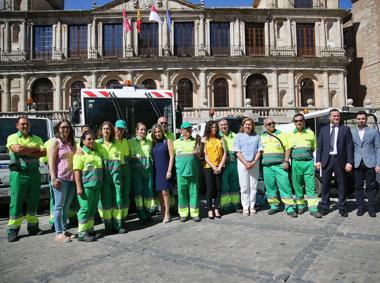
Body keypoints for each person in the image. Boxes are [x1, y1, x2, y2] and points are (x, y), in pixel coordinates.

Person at [6, 116, 47, 242]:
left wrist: (25, 150)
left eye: (27, 124)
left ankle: (33, 227)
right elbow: (17, 149)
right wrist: (34, 149)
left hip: (34, 173)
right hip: (19, 173)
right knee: (16, 201)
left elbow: (43, 152)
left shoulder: (37, 138)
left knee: (34, 200)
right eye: (22, 124)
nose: (25, 126)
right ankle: (13, 230)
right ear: (17, 125)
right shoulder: (13, 137)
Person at [315, 109, 354, 217]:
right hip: (327, 161)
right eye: (334, 116)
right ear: (329, 117)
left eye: (338, 116)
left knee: (342, 185)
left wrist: (349, 162)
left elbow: (349, 147)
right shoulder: (323, 130)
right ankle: (324, 206)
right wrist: (318, 160)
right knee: (325, 185)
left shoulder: (345, 129)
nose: (336, 118)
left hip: (340, 161)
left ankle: (342, 207)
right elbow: (320, 147)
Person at [288, 113, 322, 218]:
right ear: (294, 123)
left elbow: (314, 148)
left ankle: (313, 209)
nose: (299, 122)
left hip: (308, 163)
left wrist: (317, 162)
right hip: (295, 164)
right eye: (296, 121)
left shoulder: (310, 133)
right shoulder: (290, 135)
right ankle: (301, 206)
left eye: (301, 120)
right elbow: (288, 150)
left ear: (304, 121)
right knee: (297, 187)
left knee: (311, 187)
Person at [261, 118, 297, 217]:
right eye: (269, 124)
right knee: (270, 187)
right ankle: (274, 206)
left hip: (280, 165)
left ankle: (290, 207)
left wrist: (286, 161)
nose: (272, 124)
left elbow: (288, 148)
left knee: (285, 186)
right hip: (267, 167)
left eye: (273, 123)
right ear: (265, 126)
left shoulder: (282, 134)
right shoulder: (262, 136)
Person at [48, 120, 77, 242]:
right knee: (59, 206)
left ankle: (64, 230)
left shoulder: (71, 143)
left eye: (67, 127)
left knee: (66, 207)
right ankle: (58, 233)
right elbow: (51, 160)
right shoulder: (56, 142)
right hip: (60, 178)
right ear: (58, 129)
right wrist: (53, 177)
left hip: (71, 179)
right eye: (62, 127)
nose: (65, 129)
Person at [96, 121, 126, 234]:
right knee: (106, 202)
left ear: (111, 131)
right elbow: (85, 148)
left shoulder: (117, 143)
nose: (106, 131)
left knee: (118, 200)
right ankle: (108, 226)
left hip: (116, 179)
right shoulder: (97, 144)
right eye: (104, 129)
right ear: (101, 131)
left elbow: (121, 163)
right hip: (104, 179)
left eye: (108, 129)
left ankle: (118, 225)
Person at [73, 131, 103, 242]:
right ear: (83, 141)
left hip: (96, 186)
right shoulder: (80, 154)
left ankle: (89, 229)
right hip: (86, 186)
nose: (91, 141)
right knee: (85, 209)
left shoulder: (95, 152)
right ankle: (81, 233)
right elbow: (76, 172)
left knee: (92, 209)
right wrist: (79, 187)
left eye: (93, 139)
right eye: (89, 139)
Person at [351, 111, 380, 217]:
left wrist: (378, 164)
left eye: (363, 118)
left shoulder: (373, 131)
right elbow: (350, 148)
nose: (361, 120)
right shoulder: (352, 132)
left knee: (371, 186)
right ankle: (360, 207)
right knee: (358, 187)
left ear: (366, 119)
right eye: (359, 119)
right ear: (356, 120)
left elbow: (378, 148)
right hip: (357, 163)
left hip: (370, 163)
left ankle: (371, 208)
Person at [233, 117, 262, 216]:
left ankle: (252, 206)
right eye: (246, 124)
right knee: (244, 186)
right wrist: (245, 163)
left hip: (254, 163)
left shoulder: (257, 136)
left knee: (253, 186)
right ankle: (245, 207)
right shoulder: (238, 136)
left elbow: (259, 151)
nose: (247, 126)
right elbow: (237, 151)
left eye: (249, 124)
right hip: (242, 163)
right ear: (243, 125)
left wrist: (253, 162)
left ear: (252, 126)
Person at [128, 122, 155, 225]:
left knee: (148, 192)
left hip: (148, 171)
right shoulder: (130, 142)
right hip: (136, 173)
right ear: (137, 131)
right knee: (138, 194)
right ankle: (142, 215)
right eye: (141, 129)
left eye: (144, 129)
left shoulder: (149, 142)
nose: (143, 131)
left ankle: (148, 213)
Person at [173, 122, 201, 222]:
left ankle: (194, 213)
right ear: (181, 130)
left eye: (189, 129)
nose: (188, 130)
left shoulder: (196, 141)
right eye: (185, 129)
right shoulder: (175, 143)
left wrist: (197, 153)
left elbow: (199, 156)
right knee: (182, 193)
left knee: (194, 192)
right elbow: (171, 157)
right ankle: (183, 214)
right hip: (180, 173)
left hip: (193, 172)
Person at [202, 121, 226, 219]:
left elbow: (225, 153)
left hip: (220, 167)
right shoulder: (205, 139)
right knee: (210, 188)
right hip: (208, 167)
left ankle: (216, 208)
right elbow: (205, 155)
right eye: (212, 127)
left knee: (218, 188)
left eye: (215, 127)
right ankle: (209, 209)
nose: (214, 129)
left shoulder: (221, 139)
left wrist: (220, 166)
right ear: (208, 128)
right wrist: (213, 166)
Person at [151, 124, 175, 223]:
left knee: (165, 192)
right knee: (159, 193)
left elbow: (172, 156)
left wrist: (169, 170)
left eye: (159, 132)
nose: (157, 134)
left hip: (165, 169)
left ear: (162, 132)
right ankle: (163, 211)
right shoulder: (154, 143)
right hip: (157, 170)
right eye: (155, 132)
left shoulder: (168, 141)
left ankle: (167, 213)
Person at [219, 119, 241, 214]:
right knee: (223, 187)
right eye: (222, 125)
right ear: (219, 127)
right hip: (223, 165)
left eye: (225, 124)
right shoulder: (217, 136)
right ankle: (225, 207)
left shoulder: (235, 136)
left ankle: (235, 205)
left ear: (228, 125)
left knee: (235, 186)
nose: (224, 126)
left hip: (233, 163)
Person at [114, 120, 132, 227]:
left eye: (121, 129)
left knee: (126, 194)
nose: (119, 131)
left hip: (126, 169)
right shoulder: (110, 141)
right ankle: (118, 221)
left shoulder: (126, 141)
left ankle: (123, 218)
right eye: (118, 128)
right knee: (118, 196)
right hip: (116, 169)